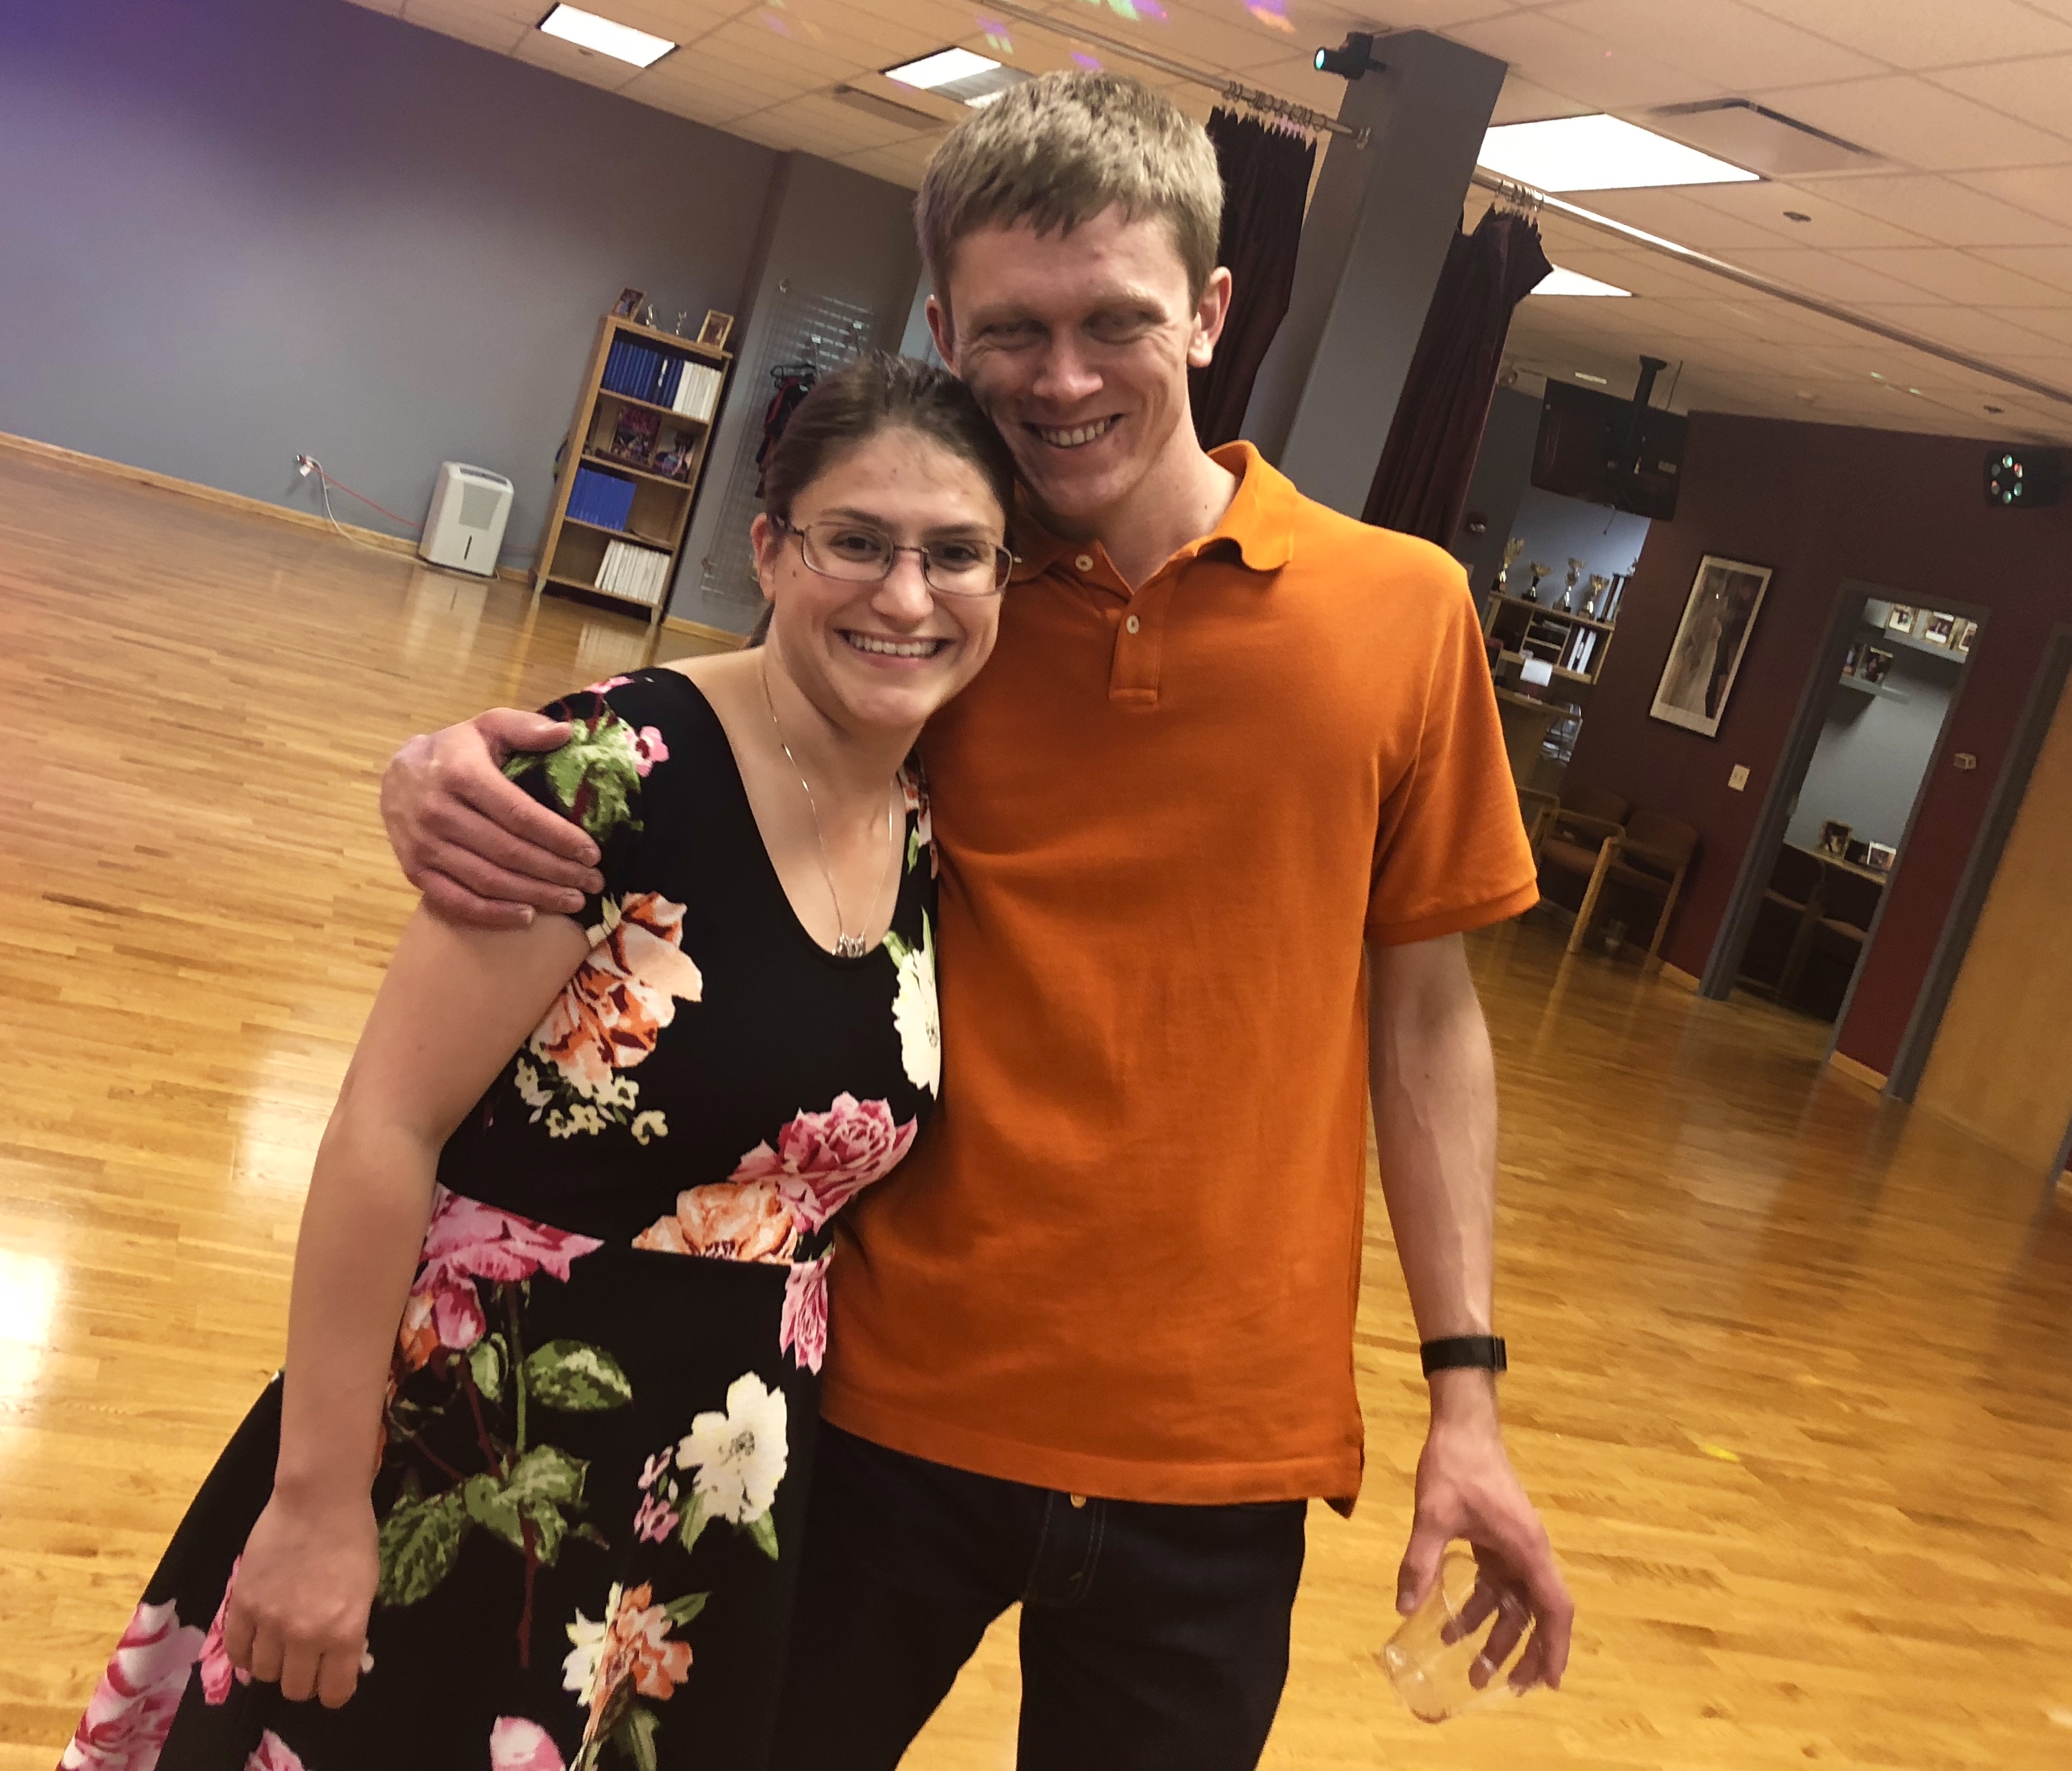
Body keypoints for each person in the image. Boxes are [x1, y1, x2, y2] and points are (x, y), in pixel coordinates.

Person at [380, 72, 1575, 1771]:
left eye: (1116, 322)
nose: (1064, 378)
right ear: (945, 330)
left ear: (1211, 313)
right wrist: (451, 759)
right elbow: (713, 731)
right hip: (877, 1403)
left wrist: (1467, 1394)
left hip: (1217, 1451)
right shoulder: (938, 612)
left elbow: (1427, 1017)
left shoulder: (1403, 615)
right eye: (1013, 329)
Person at [58, 355, 1016, 1771]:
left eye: (956, 554)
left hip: (709, 1488)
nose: (907, 595)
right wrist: (315, 1501)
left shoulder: (927, 820)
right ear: (768, 548)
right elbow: (384, 1124)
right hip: (472, 1443)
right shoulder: (613, 769)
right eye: (857, 543)